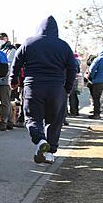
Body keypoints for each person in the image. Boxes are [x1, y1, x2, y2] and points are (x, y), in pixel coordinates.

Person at [9, 16, 77, 164]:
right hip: (57, 88)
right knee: (54, 121)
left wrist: (13, 81)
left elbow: (16, 64)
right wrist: (67, 88)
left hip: (33, 86)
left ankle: (40, 141)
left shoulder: (29, 43)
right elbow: (73, 68)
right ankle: (50, 153)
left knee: (33, 118)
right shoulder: (64, 46)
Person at [0, 33, 18, 130]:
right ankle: (8, 122)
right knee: (5, 102)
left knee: (5, 102)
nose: (0, 40)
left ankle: (4, 123)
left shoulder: (11, 50)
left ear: (6, 38)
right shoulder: (0, 49)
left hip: (5, 79)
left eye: (1, 38)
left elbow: (9, 65)